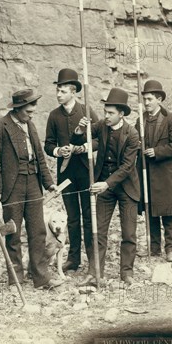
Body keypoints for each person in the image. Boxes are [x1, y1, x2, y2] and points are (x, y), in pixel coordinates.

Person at [0, 89, 62, 290]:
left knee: (37, 232)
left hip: (33, 184)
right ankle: (15, 279)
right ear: (18, 109)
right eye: (28, 111)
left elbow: (40, 156)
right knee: (13, 232)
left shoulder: (30, 125)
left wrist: (48, 183)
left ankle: (40, 277)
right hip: (12, 186)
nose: (32, 114)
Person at [72, 87, 140, 286]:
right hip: (104, 187)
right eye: (105, 112)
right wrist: (79, 129)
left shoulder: (132, 134)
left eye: (111, 113)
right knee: (98, 231)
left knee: (128, 233)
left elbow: (127, 167)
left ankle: (126, 273)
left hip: (126, 188)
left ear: (121, 114)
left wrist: (107, 184)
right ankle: (95, 273)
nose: (106, 116)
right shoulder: (101, 126)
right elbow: (80, 138)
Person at [44, 68, 99, 273]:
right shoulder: (53, 116)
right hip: (66, 174)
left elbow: (99, 139)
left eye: (63, 91)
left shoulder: (86, 111)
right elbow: (48, 145)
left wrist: (83, 148)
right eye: (57, 90)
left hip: (86, 171)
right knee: (72, 218)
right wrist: (59, 150)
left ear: (73, 92)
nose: (58, 94)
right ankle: (73, 258)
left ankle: (93, 259)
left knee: (88, 215)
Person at [138, 80, 172, 262]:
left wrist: (156, 151)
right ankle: (154, 247)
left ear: (159, 99)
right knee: (150, 210)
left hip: (166, 174)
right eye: (144, 99)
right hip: (147, 173)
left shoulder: (170, 118)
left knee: (168, 211)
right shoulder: (140, 120)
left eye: (149, 99)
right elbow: (135, 142)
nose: (146, 102)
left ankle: (171, 248)